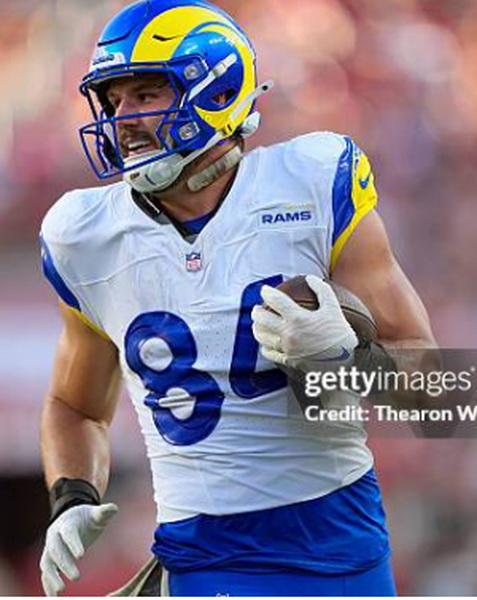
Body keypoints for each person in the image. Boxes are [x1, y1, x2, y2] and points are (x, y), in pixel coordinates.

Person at [38, 0, 436, 596]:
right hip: (204, 554)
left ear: (218, 91)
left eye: (145, 94)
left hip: (341, 541)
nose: (123, 119)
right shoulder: (85, 236)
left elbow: (442, 394)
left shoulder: (312, 183)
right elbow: (76, 406)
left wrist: (345, 364)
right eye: (114, 101)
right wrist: (72, 495)